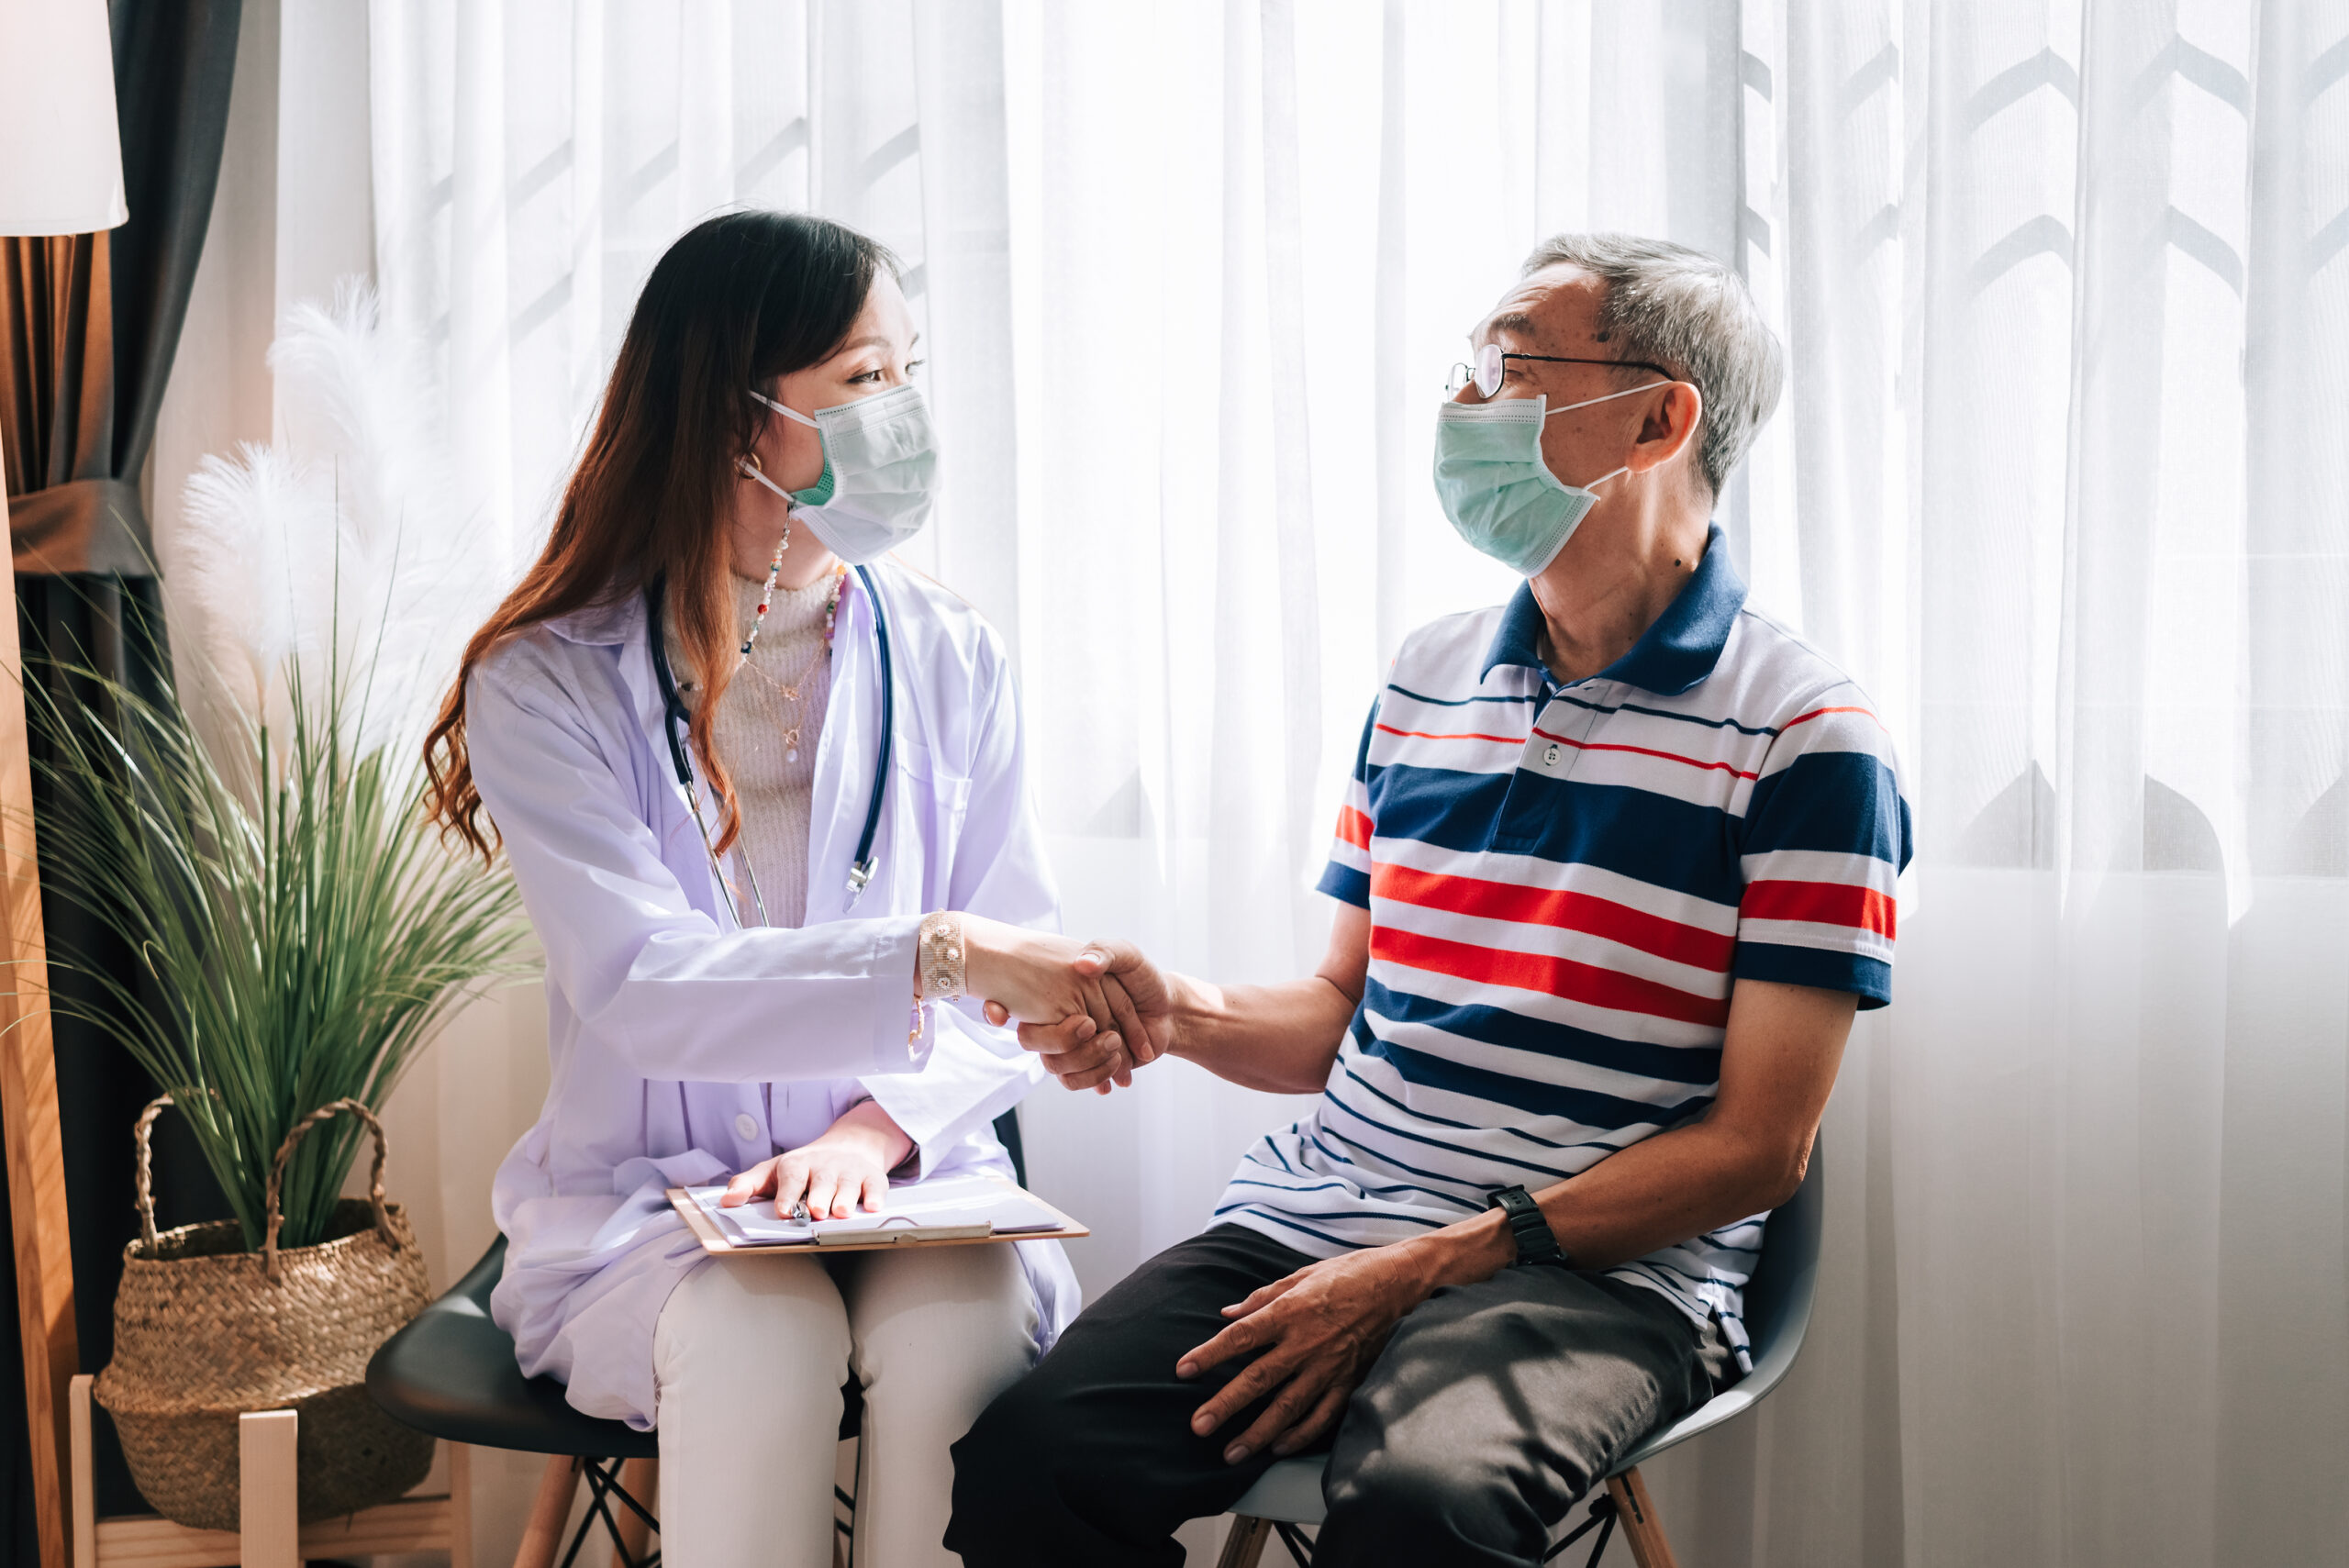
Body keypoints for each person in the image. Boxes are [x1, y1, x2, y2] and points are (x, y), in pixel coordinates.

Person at [948, 233, 1914, 1566]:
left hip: (1593, 1278)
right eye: (1472, 369)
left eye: (1512, 369)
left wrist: (1425, 1266)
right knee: (1027, 1465)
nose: (1466, 409)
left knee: (1422, 1511)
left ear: (1657, 416)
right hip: (1328, 1213)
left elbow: (1759, 1148)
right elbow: (1338, 1012)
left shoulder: (1807, 737)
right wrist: (1177, 1010)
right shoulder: (1427, 679)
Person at [421, 210, 1149, 1568]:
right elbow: (646, 986)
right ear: (736, 415)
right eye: (868, 380)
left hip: (911, 1177)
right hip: (651, 1202)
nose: (908, 412)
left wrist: (873, 1134)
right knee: (766, 1330)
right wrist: (940, 952)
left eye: (908, 372)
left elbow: (1013, 975)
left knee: (964, 1332)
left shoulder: (952, 655)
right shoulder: (549, 681)